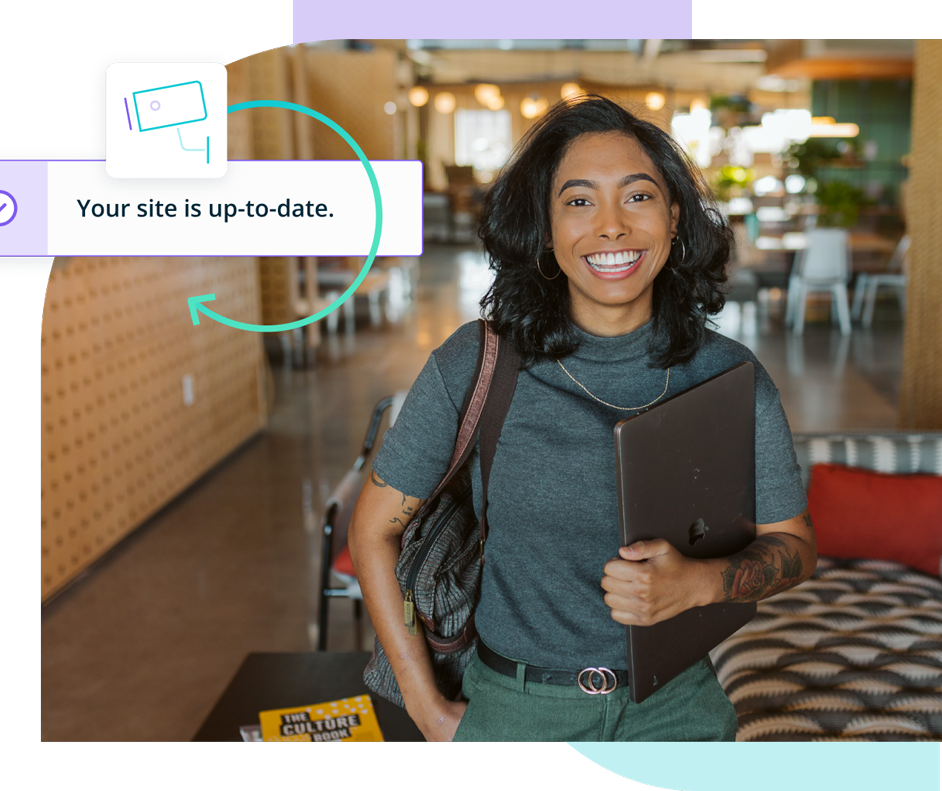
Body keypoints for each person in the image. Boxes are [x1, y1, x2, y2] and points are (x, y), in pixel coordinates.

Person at [349, 95, 816, 742]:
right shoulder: (478, 363)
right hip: (517, 707)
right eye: (578, 201)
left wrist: (701, 583)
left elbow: (794, 546)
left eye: (638, 196)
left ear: (675, 217)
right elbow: (371, 532)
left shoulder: (728, 376)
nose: (612, 226)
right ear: (544, 228)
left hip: (676, 709)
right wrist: (428, 710)